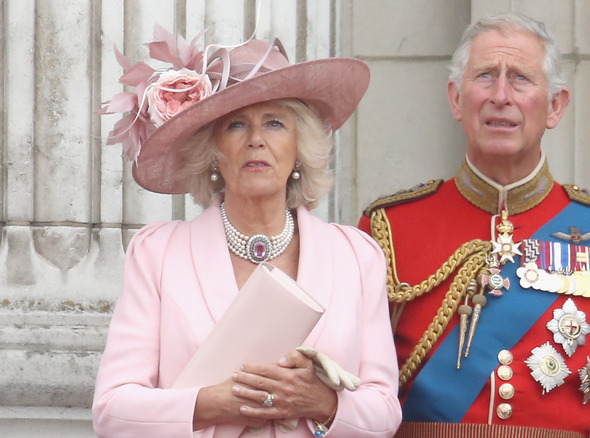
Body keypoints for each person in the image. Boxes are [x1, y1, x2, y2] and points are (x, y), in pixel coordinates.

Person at [358, 12, 590, 437]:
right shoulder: (388, 229)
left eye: (521, 79)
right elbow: (352, 391)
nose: (501, 95)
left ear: (555, 106)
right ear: (456, 98)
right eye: (485, 76)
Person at [91, 25, 402, 438]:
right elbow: (113, 411)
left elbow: (384, 414)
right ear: (214, 151)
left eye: (274, 123)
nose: (256, 140)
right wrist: (218, 402)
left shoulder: (356, 257)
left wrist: (322, 402)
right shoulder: (159, 253)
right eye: (237, 125)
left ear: (298, 149)